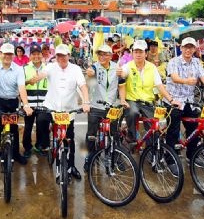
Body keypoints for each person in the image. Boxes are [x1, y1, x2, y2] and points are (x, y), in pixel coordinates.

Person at [30, 44, 91, 180]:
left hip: (69, 110)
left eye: (64, 55)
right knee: (41, 120)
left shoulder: (75, 69)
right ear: (55, 56)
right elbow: (43, 74)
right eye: (58, 55)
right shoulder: (51, 67)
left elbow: (83, 86)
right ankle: (46, 146)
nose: (61, 58)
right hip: (51, 106)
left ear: (68, 56)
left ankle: (71, 166)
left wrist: (86, 102)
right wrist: (36, 78)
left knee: (69, 138)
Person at [165, 37, 204, 163]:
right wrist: (186, 81)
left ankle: (191, 155)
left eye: (191, 47)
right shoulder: (174, 61)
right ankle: (170, 159)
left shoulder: (197, 62)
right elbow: (174, 78)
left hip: (189, 101)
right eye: (186, 47)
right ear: (181, 48)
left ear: (195, 49)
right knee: (173, 130)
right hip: (173, 100)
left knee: (194, 128)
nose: (188, 50)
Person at [119, 40, 180, 145]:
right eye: (136, 52)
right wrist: (121, 75)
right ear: (132, 53)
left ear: (145, 54)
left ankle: (151, 150)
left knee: (154, 126)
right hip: (132, 100)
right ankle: (132, 135)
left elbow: (159, 85)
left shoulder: (152, 68)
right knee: (132, 112)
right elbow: (123, 77)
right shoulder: (127, 66)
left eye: (141, 52)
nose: (138, 54)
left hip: (148, 101)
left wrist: (171, 100)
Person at [0, 43, 33, 164]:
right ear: (0, 54)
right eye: (4, 53)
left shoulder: (18, 69)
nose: (7, 56)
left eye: (10, 54)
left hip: (12, 101)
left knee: (13, 127)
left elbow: (21, 88)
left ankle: (16, 154)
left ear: (13, 55)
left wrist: (26, 105)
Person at [83, 44, 124, 172]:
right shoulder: (94, 67)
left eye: (105, 54)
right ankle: (89, 158)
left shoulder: (117, 68)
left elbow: (122, 85)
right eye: (100, 54)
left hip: (111, 105)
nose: (102, 56)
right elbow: (88, 78)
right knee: (91, 134)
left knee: (114, 133)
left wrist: (122, 100)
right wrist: (89, 74)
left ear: (111, 56)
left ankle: (115, 157)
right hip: (96, 105)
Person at [22, 45, 49, 157]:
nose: (36, 56)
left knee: (42, 124)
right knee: (28, 126)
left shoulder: (47, 68)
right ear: (30, 56)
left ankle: (40, 146)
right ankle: (27, 147)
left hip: (44, 103)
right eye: (34, 54)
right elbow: (20, 85)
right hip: (29, 103)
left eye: (38, 54)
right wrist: (28, 82)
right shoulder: (24, 68)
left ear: (42, 55)